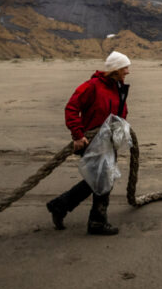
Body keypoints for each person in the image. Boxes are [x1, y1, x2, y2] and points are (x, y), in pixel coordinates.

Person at [45, 51, 131, 234]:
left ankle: (62, 207)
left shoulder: (118, 87)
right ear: (115, 69)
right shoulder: (92, 86)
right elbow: (71, 108)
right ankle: (95, 221)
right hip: (92, 142)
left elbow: (120, 112)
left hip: (108, 142)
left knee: (100, 179)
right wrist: (77, 135)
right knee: (102, 180)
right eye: (125, 67)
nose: (127, 71)